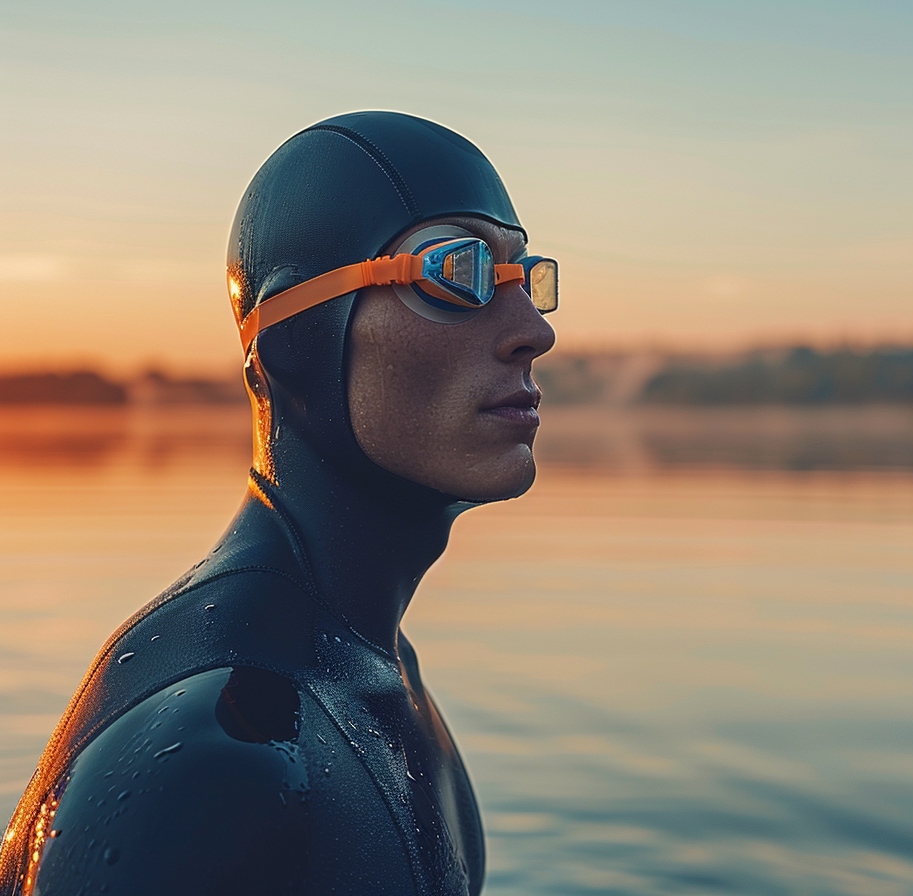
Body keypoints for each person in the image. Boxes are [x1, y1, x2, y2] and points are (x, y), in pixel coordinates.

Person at [0, 111, 557, 895]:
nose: (533, 331)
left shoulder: (363, 671)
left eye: (522, 275)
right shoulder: (217, 765)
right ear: (294, 343)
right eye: (454, 271)